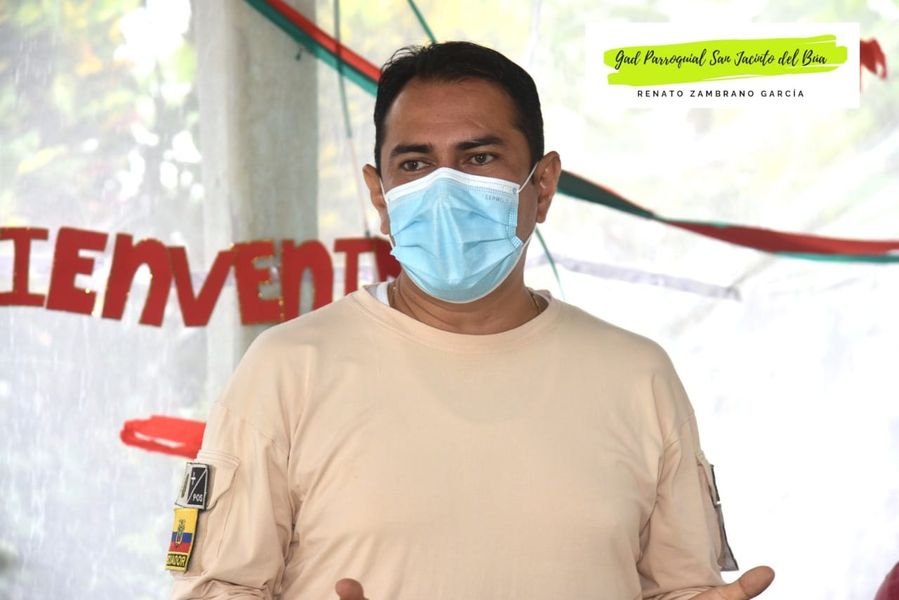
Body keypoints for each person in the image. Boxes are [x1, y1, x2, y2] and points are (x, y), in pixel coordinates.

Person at [167, 41, 774, 599]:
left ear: (543, 185)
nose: (445, 190)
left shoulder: (637, 377)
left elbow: (678, 588)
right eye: (414, 165)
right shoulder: (289, 369)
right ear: (379, 195)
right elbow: (213, 589)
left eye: (478, 158)